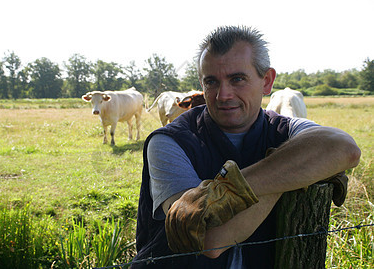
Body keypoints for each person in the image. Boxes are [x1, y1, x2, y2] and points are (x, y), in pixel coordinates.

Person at [132, 26, 361, 268]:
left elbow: (346, 149)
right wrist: (293, 173)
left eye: (237, 79)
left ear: (267, 81)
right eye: (211, 82)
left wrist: (227, 191)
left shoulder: (286, 129)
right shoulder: (170, 142)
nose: (223, 95)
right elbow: (210, 239)